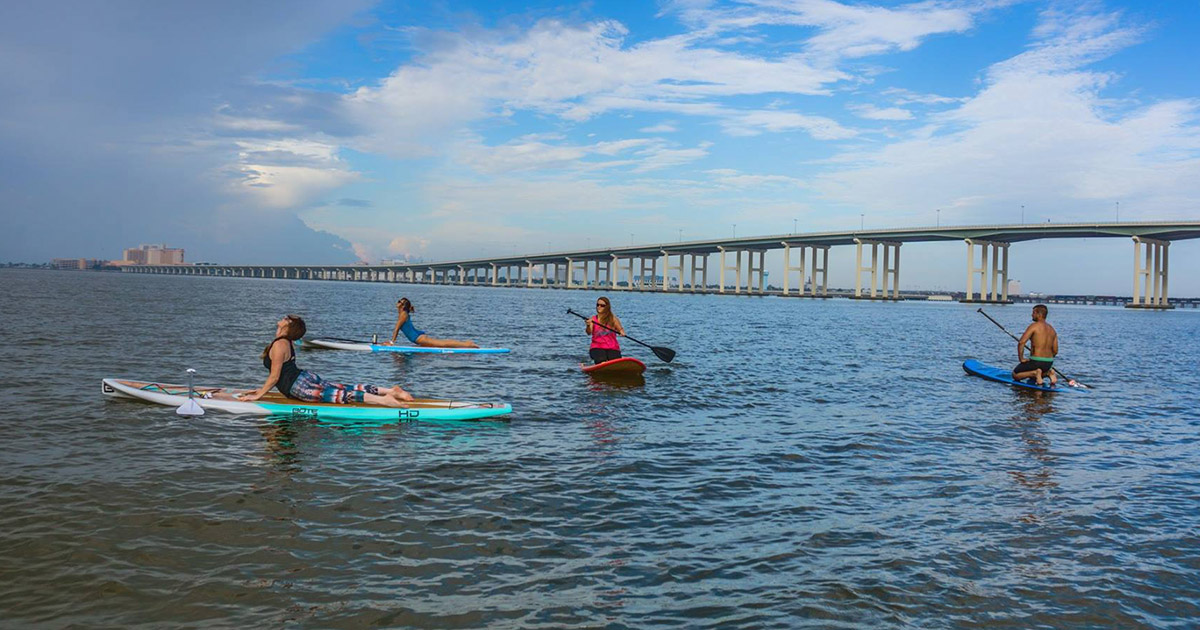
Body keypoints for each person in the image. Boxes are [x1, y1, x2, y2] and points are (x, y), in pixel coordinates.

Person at [237, 315, 414, 406]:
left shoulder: (280, 344)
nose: (284, 318)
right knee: (344, 388)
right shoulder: (285, 343)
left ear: (288, 326)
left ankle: (385, 400)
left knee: (340, 396)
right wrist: (261, 389)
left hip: (298, 386)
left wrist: (258, 396)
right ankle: (390, 390)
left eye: (287, 318)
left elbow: (275, 377)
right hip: (303, 378)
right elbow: (280, 374)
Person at [386, 298, 479, 348]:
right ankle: (466, 344)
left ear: (402, 306)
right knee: (440, 344)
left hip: (418, 338)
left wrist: (391, 342)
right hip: (418, 336)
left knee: (443, 343)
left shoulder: (403, 315)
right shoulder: (403, 313)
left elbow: (396, 329)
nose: (397, 302)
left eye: (399, 301)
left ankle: (468, 344)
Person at [1013, 304, 1059, 387]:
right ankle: (1049, 373)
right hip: (1049, 363)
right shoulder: (1052, 329)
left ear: (1039, 314)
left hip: (1036, 362)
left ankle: (1034, 373)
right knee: (1039, 372)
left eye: (1033, 312)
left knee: (1015, 375)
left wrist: (1021, 359)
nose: (1032, 315)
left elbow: (1021, 342)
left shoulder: (1034, 326)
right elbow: (1055, 351)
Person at [586, 296, 626, 364]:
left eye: (602, 305)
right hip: (597, 347)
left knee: (615, 361)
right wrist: (588, 325)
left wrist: (622, 332)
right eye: (597, 305)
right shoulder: (593, 319)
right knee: (601, 359)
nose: (599, 307)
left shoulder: (613, 319)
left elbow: (620, 329)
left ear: (607, 307)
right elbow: (589, 332)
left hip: (612, 347)